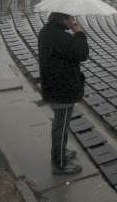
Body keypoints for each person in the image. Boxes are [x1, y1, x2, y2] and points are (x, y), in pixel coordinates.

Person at [38, 12, 89, 175]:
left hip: (54, 85)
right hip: (62, 88)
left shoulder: (47, 31)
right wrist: (79, 33)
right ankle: (59, 163)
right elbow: (82, 54)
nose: (73, 21)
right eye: (70, 19)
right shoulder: (60, 37)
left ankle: (61, 152)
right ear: (62, 19)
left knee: (60, 124)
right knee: (61, 126)